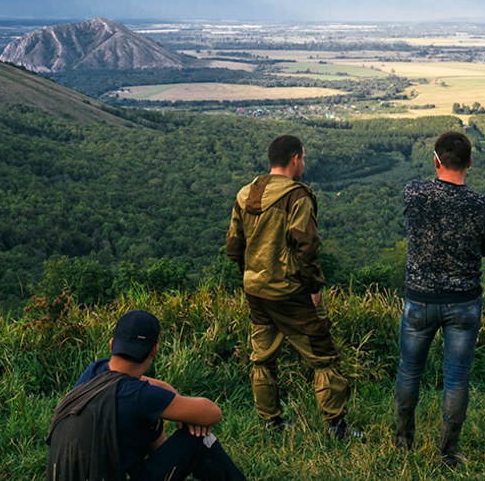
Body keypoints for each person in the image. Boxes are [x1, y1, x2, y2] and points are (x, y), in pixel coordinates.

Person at [225, 134, 360, 440]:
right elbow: (307, 246)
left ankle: (271, 423)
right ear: (296, 159)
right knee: (323, 356)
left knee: (261, 357)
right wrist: (314, 287)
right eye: (304, 158)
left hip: (255, 290)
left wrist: (250, 273)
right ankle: (336, 427)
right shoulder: (297, 196)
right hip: (290, 291)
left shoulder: (245, 193)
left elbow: (234, 246)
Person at [393, 131, 485, 467]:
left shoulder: (414, 191)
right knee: (456, 378)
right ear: (469, 162)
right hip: (463, 301)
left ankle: (402, 439)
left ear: (436, 161)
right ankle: (448, 453)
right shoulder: (483, 205)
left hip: (419, 298)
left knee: (409, 371)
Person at [46, 310, 246, 481]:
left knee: (150, 420)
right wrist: (189, 416)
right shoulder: (140, 396)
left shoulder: (94, 372)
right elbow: (212, 413)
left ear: (112, 345)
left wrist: (178, 406)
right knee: (199, 438)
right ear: (155, 350)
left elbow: (150, 387)